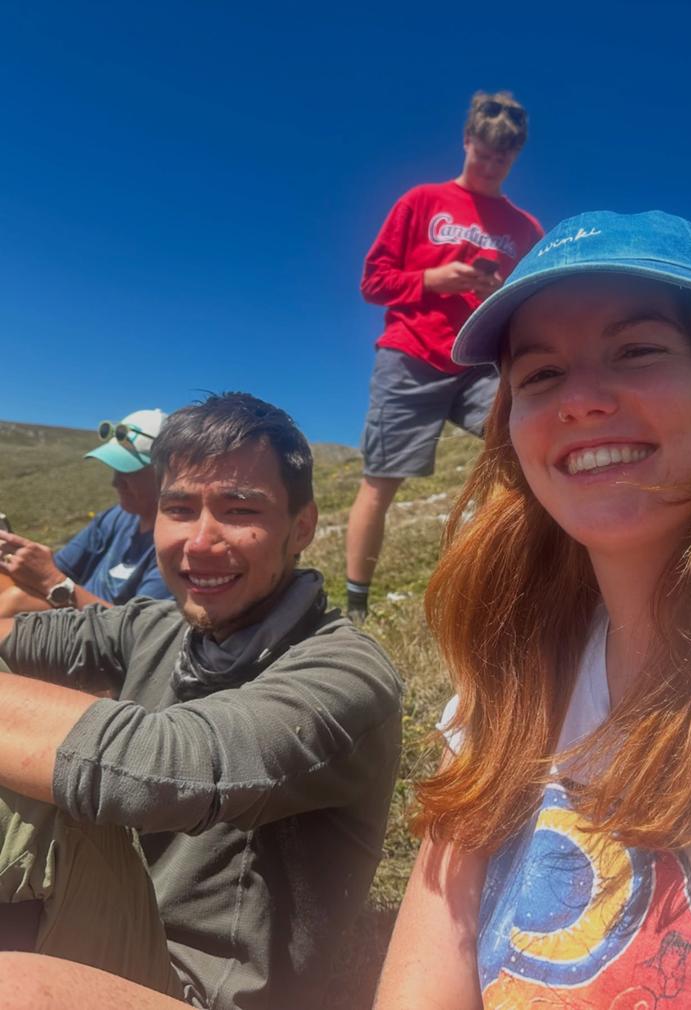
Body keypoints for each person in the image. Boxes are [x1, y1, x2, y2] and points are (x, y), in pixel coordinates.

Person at [374, 211, 691, 1010]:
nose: (579, 401)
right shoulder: (501, 684)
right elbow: (434, 953)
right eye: (538, 376)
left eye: (637, 351)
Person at [0, 392, 403, 1010]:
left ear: (302, 526)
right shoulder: (159, 625)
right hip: (111, 910)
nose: (201, 541)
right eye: (180, 509)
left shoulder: (347, 673)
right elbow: (17, 638)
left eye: (240, 509)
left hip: (197, 989)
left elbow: (168, 770)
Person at [345, 90, 544, 622]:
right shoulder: (420, 202)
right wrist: (432, 279)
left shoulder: (526, 229)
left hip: (480, 360)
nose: (491, 163)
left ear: (516, 156)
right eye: (484, 151)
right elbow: (373, 281)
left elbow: (535, 302)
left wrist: (496, 294)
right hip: (411, 355)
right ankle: (356, 605)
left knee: (524, 449)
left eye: (503, 156)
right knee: (382, 480)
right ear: (467, 140)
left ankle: (503, 578)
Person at [0, 408, 170, 616]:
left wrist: (54, 581)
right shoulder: (114, 517)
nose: (116, 482)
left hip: (98, 639)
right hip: (72, 617)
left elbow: (139, 632)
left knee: (13, 603)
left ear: (164, 475)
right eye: (115, 470)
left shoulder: (173, 548)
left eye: (128, 470)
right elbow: (58, 568)